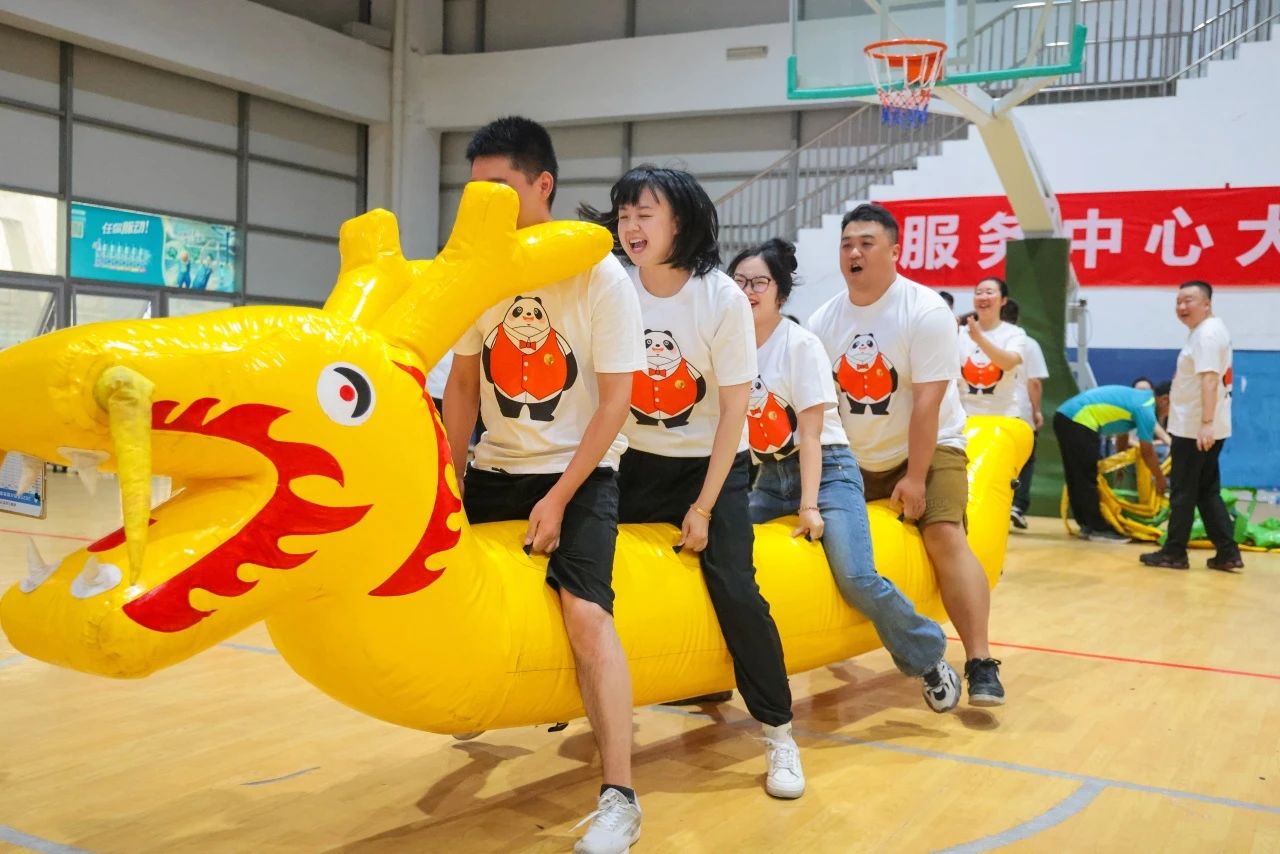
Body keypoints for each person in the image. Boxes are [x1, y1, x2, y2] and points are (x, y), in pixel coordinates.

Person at [443, 116, 646, 854]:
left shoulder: (599, 275)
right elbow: (463, 385)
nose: (483, 206)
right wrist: (449, 480)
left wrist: (558, 497)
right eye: (474, 193)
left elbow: (617, 402)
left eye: (499, 190)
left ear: (543, 186)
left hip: (578, 471)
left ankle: (620, 796)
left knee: (586, 616)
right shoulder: (481, 270)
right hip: (496, 465)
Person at [582, 166, 806, 800]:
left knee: (736, 587)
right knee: (586, 573)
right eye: (624, 214)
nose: (630, 226)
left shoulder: (720, 297)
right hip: (634, 460)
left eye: (645, 214)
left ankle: (779, 733)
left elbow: (735, 412)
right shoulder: (613, 284)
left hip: (712, 463)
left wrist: (704, 507)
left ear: (679, 222)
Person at [735, 238, 960, 713]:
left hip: (829, 471)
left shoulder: (800, 344)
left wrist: (809, 505)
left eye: (759, 283)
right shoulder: (728, 349)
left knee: (857, 577)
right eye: (738, 282)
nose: (747, 291)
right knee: (724, 558)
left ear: (780, 293)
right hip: (769, 476)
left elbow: (812, 434)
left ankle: (927, 655)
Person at [807, 203, 1006, 707]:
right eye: (846, 244)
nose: (854, 253)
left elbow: (927, 403)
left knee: (943, 534)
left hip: (930, 445)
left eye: (866, 243)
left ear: (895, 251)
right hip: (854, 454)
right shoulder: (822, 320)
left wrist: (916, 477)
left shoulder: (925, 310)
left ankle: (980, 661)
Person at [1140, 281, 1243, 572]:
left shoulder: (1207, 334)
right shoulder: (1208, 331)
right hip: (1205, 426)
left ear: (1207, 304)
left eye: (1189, 301)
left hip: (1195, 428)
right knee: (1206, 491)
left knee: (1184, 492)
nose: (1182, 307)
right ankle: (1228, 553)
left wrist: (1206, 424)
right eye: (1178, 302)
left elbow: (1209, 379)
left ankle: (1174, 552)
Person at [1053, 383, 1169, 542]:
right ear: (1164, 400)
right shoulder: (1146, 409)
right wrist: (1160, 478)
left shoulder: (1138, 399)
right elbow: (1147, 451)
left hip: (1064, 416)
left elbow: (1123, 435)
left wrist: (1120, 466)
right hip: (1079, 420)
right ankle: (1098, 528)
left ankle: (1086, 525)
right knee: (1086, 477)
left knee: (1077, 476)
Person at [1000, 298, 1048, 529]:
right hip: (1020, 412)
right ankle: (1017, 505)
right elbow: (1034, 382)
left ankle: (997, 505)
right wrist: (1037, 411)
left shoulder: (983, 340)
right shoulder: (1028, 343)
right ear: (1018, 318)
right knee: (1025, 460)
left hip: (990, 413)